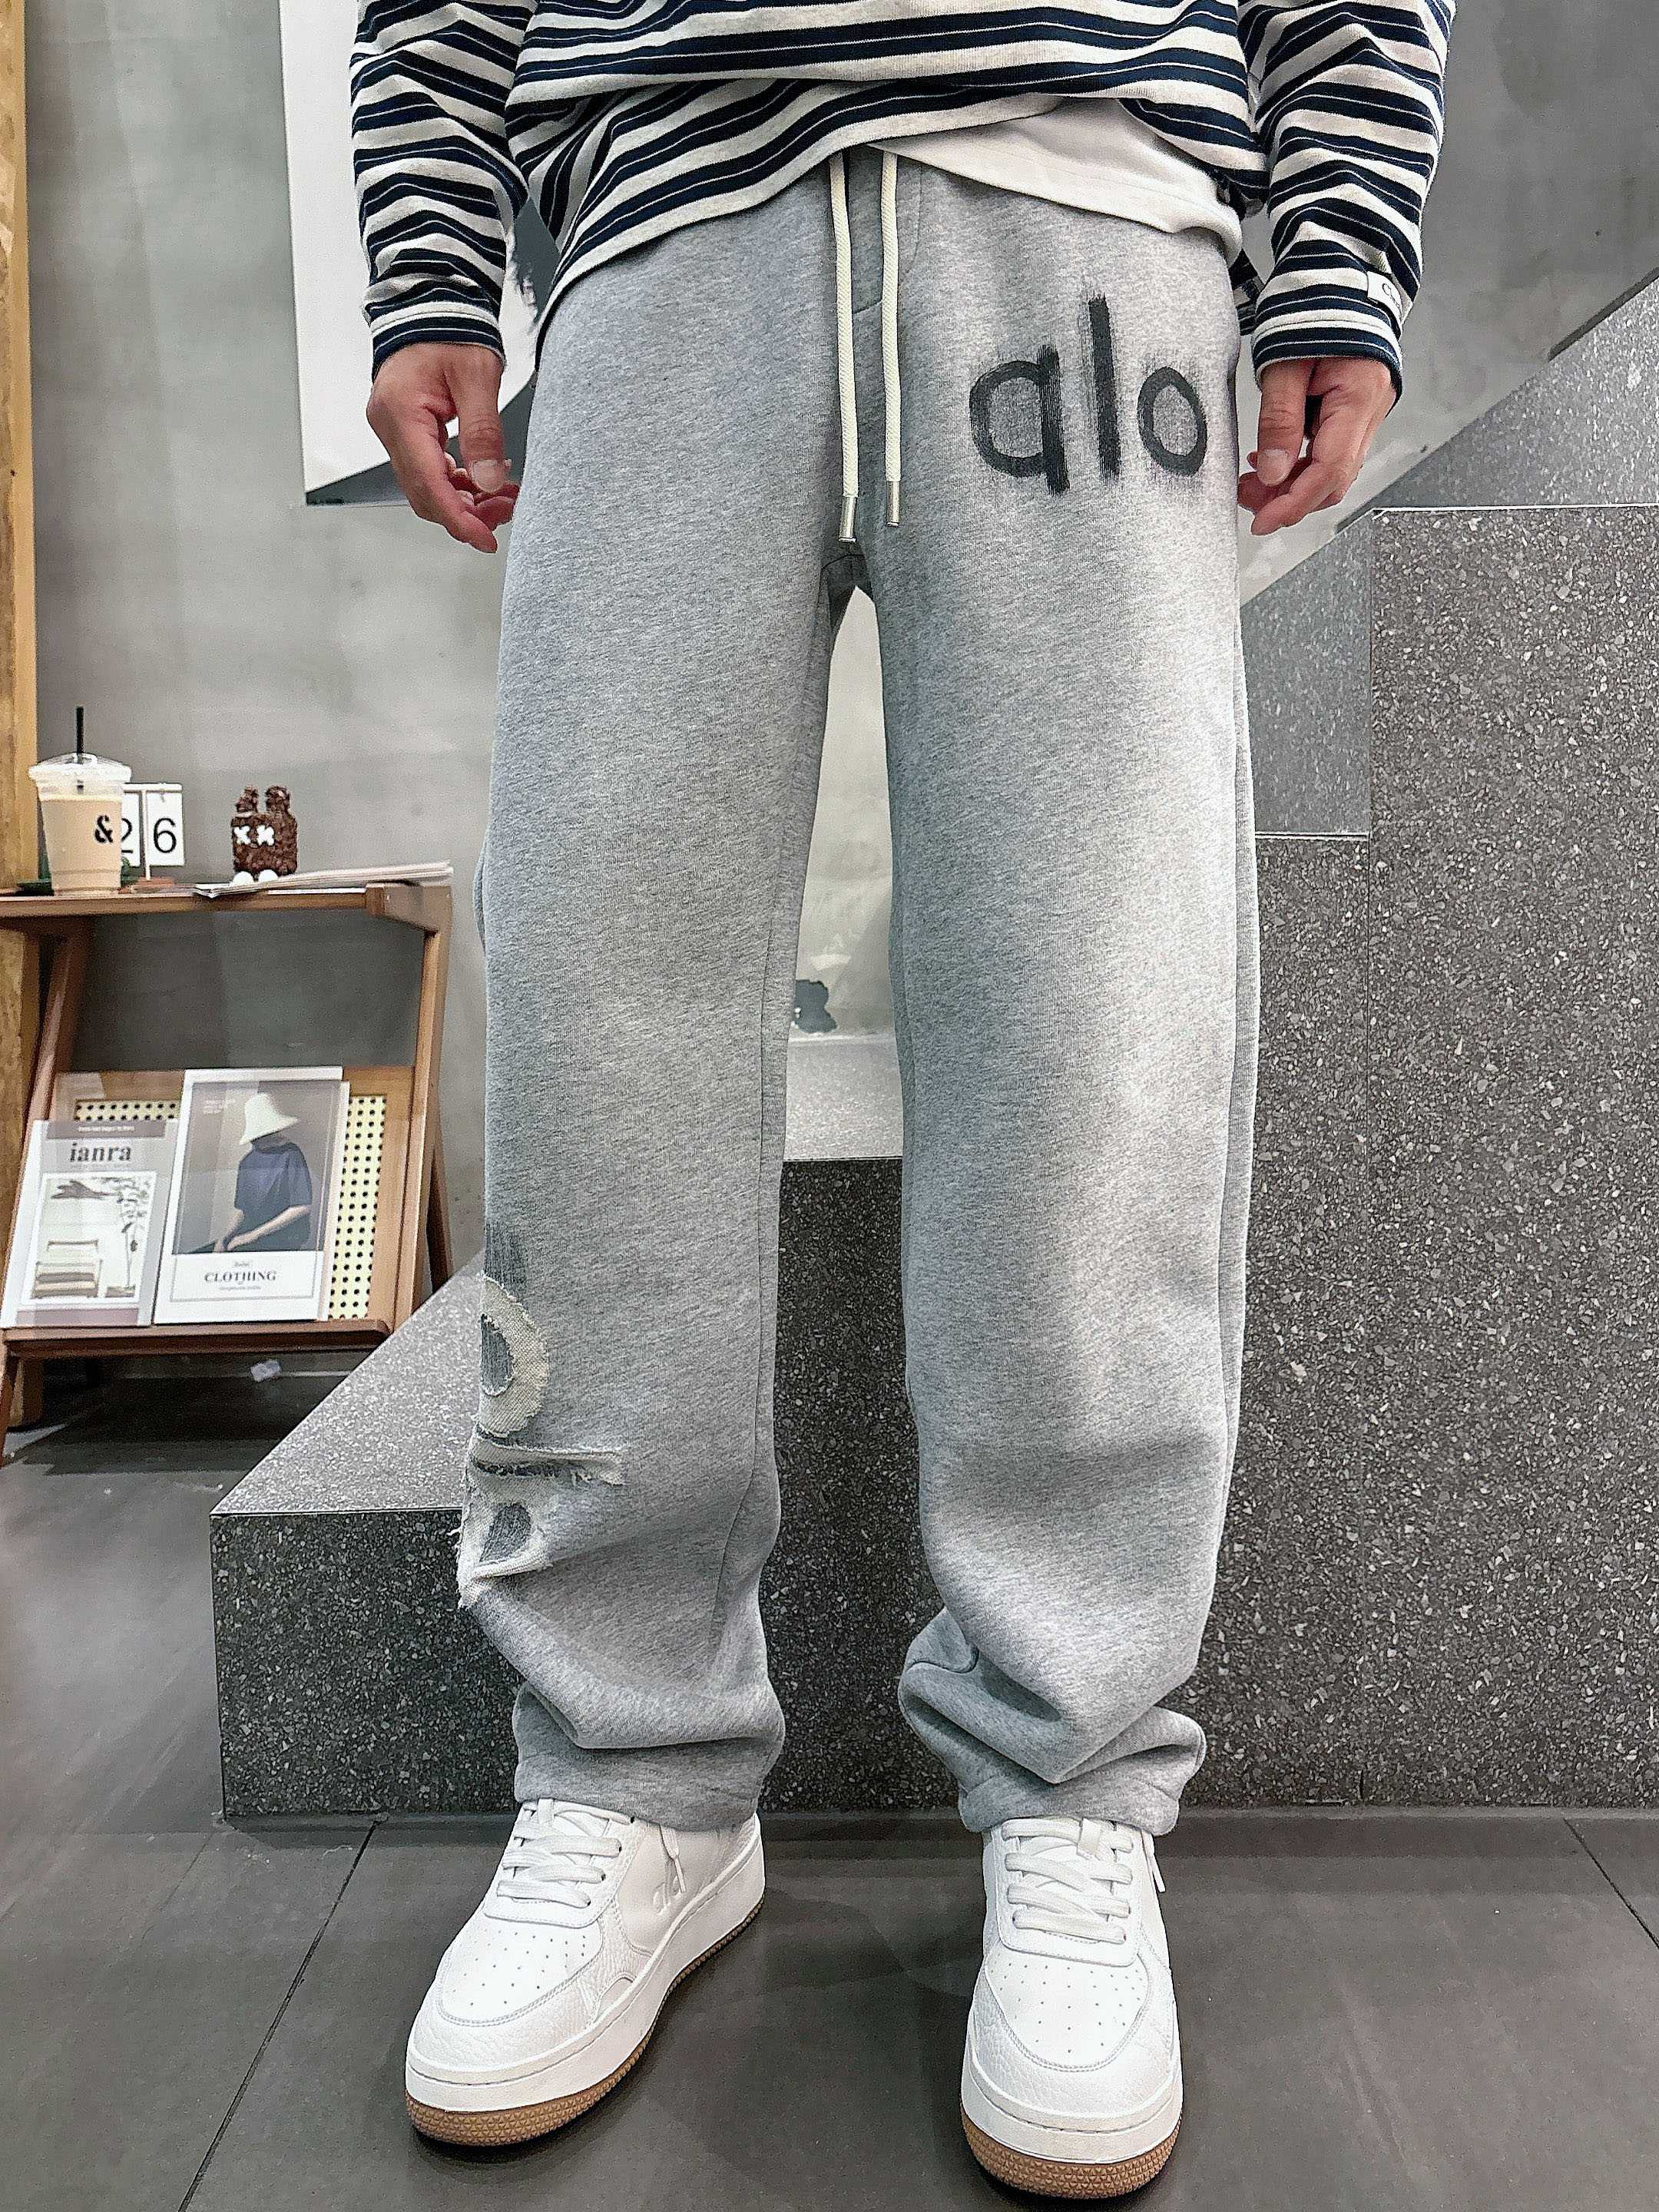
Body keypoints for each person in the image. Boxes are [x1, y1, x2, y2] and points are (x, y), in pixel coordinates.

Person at [353, 0, 1452, 2190]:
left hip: (1087, 197)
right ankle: (628, 1775)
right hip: (659, 221)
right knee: (599, 1037)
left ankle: (1070, 1787)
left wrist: (1339, 242)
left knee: (1098, 1030)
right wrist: (431, 248)